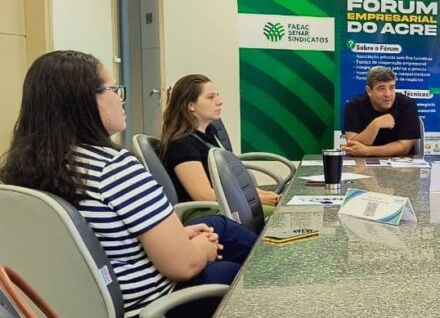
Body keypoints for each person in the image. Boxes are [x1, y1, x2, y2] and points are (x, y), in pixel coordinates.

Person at [0, 51, 256, 317]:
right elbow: (184, 266)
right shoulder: (113, 168)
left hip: (71, 305)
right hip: (151, 306)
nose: (121, 98)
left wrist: (181, 238)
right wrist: (201, 250)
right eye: (114, 90)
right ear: (84, 101)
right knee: (242, 276)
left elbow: (103, 238)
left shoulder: (22, 171)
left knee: (219, 228)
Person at [160, 74, 280, 210]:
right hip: (209, 211)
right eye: (211, 97)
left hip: (228, 204)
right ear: (191, 105)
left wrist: (265, 195)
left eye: (217, 95)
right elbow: (203, 195)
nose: (219, 102)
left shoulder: (209, 132)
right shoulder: (182, 145)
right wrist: (257, 199)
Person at [343, 66, 421, 157]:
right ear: (369, 91)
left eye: (391, 88)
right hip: (361, 161)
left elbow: (404, 148)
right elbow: (352, 145)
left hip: (400, 162)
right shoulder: (354, 106)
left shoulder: (407, 105)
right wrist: (375, 124)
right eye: (381, 88)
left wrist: (368, 151)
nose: (388, 94)